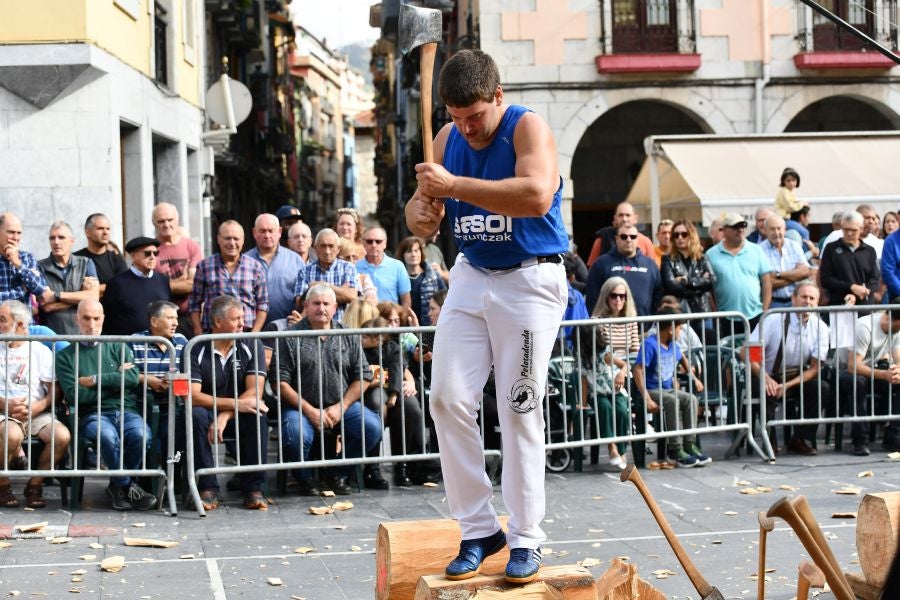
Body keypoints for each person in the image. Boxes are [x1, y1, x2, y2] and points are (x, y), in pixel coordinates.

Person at [406, 49, 568, 583]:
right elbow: (420, 222)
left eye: (475, 116)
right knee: (447, 397)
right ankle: (479, 528)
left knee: (519, 406)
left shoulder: (528, 129)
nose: (467, 128)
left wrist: (452, 187)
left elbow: (537, 195)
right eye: (456, 117)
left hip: (530, 278)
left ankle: (526, 537)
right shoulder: (446, 139)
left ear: (498, 96)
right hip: (472, 274)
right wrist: (424, 206)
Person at [276, 285, 380, 496]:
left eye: (326, 304)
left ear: (335, 308)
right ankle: (305, 478)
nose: (321, 308)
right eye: (316, 303)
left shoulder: (348, 335)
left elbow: (363, 376)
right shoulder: (289, 337)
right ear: (306, 306)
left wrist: (340, 407)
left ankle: (337, 473)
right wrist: (309, 411)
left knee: (372, 427)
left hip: (340, 405)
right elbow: (280, 382)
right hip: (300, 408)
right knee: (295, 434)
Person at [55, 300, 156, 510]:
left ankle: (118, 486)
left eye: (96, 318)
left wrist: (94, 380)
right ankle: (128, 487)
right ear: (77, 319)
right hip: (92, 415)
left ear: (103, 319)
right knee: (106, 436)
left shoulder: (118, 345)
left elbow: (131, 378)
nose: (91, 324)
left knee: (142, 436)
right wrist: (115, 381)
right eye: (86, 318)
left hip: (127, 410)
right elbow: (75, 395)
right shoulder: (65, 356)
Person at [187, 295, 269, 510]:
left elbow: (255, 391)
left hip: (236, 411)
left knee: (256, 413)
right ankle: (208, 487)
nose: (243, 324)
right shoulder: (196, 348)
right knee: (194, 416)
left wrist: (225, 414)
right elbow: (193, 395)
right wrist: (234, 404)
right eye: (236, 319)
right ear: (217, 322)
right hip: (205, 408)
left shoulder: (252, 342)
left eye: (243, 317)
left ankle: (253, 488)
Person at [745, 281, 830, 456]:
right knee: (764, 390)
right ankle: (770, 440)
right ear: (793, 299)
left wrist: (788, 385)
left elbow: (815, 368)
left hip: (795, 377)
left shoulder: (821, 327)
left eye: (812, 298)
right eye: (804, 297)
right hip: (766, 373)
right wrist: (765, 378)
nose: (808, 302)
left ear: (817, 302)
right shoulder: (773, 319)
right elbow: (749, 353)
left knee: (821, 387)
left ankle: (800, 439)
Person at [0, 300, 71, 508]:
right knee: (11, 435)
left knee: (62, 436)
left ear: (20, 324)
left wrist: (38, 407)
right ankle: (2, 485)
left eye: (3, 320)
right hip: (3, 412)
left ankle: (35, 485)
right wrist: (6, 404)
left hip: (36, 411)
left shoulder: (39, 350)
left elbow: (54, 390)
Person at [632, 306, 710, 467]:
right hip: (652, 390)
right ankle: (675, 449)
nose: (681, 332)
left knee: (691, 399)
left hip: (667, 388)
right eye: (679, 328)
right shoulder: (650, 344)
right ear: (670, 329)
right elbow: (638, 369)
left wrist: (694, 378)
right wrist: (646, 398)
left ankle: (689, 444)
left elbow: (683, 360)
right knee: (672, 401)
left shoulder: (672, 345)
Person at [578, 277, 637, 469]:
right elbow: (597, 351)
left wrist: (623, 371)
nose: (619, 300)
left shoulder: (632, 320)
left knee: (620, 409)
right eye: (614, 296)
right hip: (602, 377)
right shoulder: (596, 323)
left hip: (622, 373)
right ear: (606, 296)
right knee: (604, 408)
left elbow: (635, 351)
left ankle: (622, 449)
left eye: (622, 296)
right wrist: (583, 400)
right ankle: (612, 447)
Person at [360, 317, 426, 487]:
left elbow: (398, 370)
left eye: (365, 336)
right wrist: (373, 381)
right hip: (371, 389)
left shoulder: (393, 348)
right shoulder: (360, 351)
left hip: (392, 388)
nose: (361, 339)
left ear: (379, 338)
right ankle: (372, 467)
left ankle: (405, 465)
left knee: (411, 408)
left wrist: (395, 394)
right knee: (376, 404)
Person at [130, 300, 188, 478]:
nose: (176, 323)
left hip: (172, 407)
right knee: (147, 440)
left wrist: (173, 383)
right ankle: (141, 481)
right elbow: (125, 372)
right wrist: (149, 380)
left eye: (176, 318)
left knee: (176, 436)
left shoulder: (182, 341)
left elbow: (187, 375)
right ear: (154, 321)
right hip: (140, 407)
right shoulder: (135, 341)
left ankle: (174, 479)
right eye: (170, 318)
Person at [189, 220, 269, 334]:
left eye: (236, 239)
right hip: (213, 334)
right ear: (218, 239)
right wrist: (198, 330)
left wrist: (255, 332)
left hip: (246, 334)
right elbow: (194, 303)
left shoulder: (255, 267)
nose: (232, 243)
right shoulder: (204, 266)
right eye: (227, 238)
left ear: (243, 240)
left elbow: (263, 304)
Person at [840, 307, 900, 454]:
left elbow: (898, 359)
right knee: (859, 383)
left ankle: (893, 435)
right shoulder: (865, 327)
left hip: (871, 369)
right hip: (844, 371)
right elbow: (852, 365)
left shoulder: (896, 330)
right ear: (896, 320)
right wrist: (885, 375)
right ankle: (860, 440)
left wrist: (897, 372)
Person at [706, 213, 772, 334]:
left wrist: (765, 311)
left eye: (743, 225)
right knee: (728, 352)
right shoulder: (711, 254)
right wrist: (716, 313)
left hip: (755, 315)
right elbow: (708, 288)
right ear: (724, 230)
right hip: (726, 317)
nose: (740, 230)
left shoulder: (756, 250)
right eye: (735, 227)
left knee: (755, 352)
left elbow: (766, 282)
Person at [585, 223, 662, 317]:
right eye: (623, 236)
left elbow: (658, 295)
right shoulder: (601, 264)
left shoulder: (650, 265)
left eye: (633, 236)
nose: (628, 240)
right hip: (609, 328)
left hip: (643, 328)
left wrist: (650, 322)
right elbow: (592, 296)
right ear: (616, 239)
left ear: (637, 239)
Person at [38, 221, 99, 335]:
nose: (56, 242)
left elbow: (93, 298)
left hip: (81, 335)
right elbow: (46, 306)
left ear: (72, 241)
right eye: (52, 238)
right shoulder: (40, 267)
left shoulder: (86, 263)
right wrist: (81, 297)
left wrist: (56, 295)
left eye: (61, 237)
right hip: (51, 336)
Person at [152, 203, 203, 337]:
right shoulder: (151, 250)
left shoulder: (192, 247)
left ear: (177, 220)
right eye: (161, 221)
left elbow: (192, 285)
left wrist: (164, 283)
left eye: (170, 220)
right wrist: (181, 281)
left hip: (189, 317)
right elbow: (153, 287)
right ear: (154, 224)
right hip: (161, 318)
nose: (166, 224)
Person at [101, 237, 171, 335]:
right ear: (133, 256)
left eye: (155, 253)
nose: (152, 257)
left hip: (158, 345)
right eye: (147, 253)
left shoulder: (163, 280)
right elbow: (107, 317)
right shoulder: (117, 283)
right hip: (126, 346)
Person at [246, 213, 304, 324]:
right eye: (262, 231)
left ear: (280, 232)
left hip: (287, 329)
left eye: (271, 231)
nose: (267, 235)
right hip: (252, 332)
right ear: (254, 232)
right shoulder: (244, 261)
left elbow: (305, 296)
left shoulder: (295, 261)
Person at [660, 220, 715, 332]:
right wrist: (699, 285)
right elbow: (670, 286)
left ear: (691, 235)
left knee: (705, 348)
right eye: (676, 235)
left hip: (702, 312)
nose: (680, 238)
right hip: (679, 313)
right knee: (682, 348)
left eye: (684, 234)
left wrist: (686, 281)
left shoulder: (702, 258)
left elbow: (711, 281)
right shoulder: (667, 259)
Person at [293, 228, 359, 321]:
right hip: (313, 329)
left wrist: (321, 286)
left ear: (338, 249)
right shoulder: (305, 271)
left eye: (331, 246)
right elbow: (301, 303)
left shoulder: (348, 268)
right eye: (323, 246)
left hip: (342, 329)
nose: (327, 251)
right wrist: (341, 292)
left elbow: (352, 296)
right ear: (315, 248)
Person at [819, 211, 879, 307]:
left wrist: (859, 293)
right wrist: (851, 287)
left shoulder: (869, 251)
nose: (849, 233)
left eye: (853, 230)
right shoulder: (831, 249)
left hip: (864, 306)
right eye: (846, 229)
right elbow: (825, 279)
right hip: (838, 304)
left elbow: (875, 280)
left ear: (861, 229)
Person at [0, 213, 55, 305]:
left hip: (24, 319)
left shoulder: (27, 258)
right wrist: (22, 289)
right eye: (11, 232)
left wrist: (18, 264)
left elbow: (42, 290)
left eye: (19, 233)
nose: (16, 237)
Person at [759, 215, 811, 309]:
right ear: (765, 231)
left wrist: (778, 275)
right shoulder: (759, 250)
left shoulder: (794, 245)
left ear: (785, 229)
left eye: (779, 228)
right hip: (773, 304)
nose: (776, 232)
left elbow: (806, 272)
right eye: (772, 229)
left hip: (796, 303)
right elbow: (766, 282)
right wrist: (795, 276)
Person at [586, 201, 656, 267]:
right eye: (620, 215)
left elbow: (652, 271)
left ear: (635, 218)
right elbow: (592, 269)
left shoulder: (646, 242)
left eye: (628, 215)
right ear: (615, 218)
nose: (624, 219)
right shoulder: (603, 239)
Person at [74, 213, 127, 298]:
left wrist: (91, 291)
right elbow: (73, 290)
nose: (105, 232)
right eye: (100, 228)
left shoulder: (116, 258)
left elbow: (124, 286)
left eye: (108, 229)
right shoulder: (76, 258)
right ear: (87, 232)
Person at [356, 227, 411, 307]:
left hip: (389, 318)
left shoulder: (397, 266)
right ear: (363, 243)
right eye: (369, 241)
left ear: (385, 243)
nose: (374, 245)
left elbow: (406, 301)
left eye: (378, 241)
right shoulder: (355, 267)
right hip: (364, 317)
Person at [397, 236, 445, 326]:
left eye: (416, 250)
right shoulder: (398, 277)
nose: (413, 254)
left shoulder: (433, 275)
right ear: (402, 255)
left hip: (430, 325)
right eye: (409, 251)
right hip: (406, 327)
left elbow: (444, 297)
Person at [774, 167, 810, 241]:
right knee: (805, 232)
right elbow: (790, 207)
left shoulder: (789, 192)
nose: (791, 183)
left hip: (786, 219)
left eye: (793, 180)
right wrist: (802, 203)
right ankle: (805, 252)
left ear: (797, 181)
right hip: (783, 220)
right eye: (788, 180)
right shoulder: (784, 192)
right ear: (783, 181)